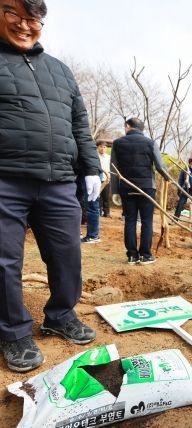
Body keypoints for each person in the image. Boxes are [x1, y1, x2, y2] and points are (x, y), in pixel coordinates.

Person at [0, 0, 98, 372]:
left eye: (33, 18)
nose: (24, 25)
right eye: (13, 13)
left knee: (67, 253)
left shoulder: (59, 70)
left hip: (58, 180)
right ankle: (12, 332)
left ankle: (60, 314)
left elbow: (79, 123)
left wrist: (91, 168)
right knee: (5, 261)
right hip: (6, 179)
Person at [111, 117, 170, 265]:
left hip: (126, 187)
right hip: (147, 187)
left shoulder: (117, 143)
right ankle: (145, 255)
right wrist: (167, 177)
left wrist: (115, 191)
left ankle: (132, 256)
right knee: (146, 221)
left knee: (130, 220)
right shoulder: (150, 143)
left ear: (128, 126)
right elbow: (160, 166)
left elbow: (114, 169)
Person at [97, 141, 111, 218]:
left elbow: (111, 168)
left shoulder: (109, 157)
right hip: (97, 179)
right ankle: (98, 211)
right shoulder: (96, 157)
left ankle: (107, 212)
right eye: (101, 147)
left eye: (104, 147)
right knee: (98, 196)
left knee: (106, 196)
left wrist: (110, 177)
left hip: (106, 179)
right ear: (98, 147)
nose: (102, 148)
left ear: (106, 148)